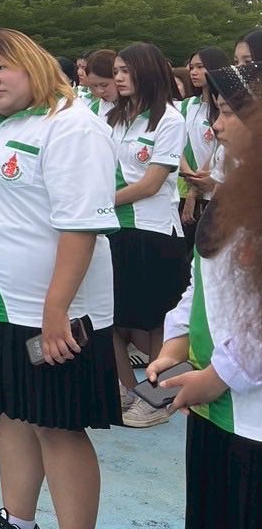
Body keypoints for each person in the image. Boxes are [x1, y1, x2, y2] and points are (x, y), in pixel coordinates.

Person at [0, 29, 121, 529]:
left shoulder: (71, 126)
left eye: (1, 67)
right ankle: (18, 524)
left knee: (57, 426)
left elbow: (80, 227)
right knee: (14, 411)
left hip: (50, 310)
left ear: (33, 64)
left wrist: (55, 310)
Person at [150, 61, 262, 529]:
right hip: (214, 404)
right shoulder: (237, 189)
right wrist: (175, 343)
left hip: (251, 415)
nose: (216, 125)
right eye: (215, 110)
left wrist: (217, 377)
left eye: (230, 112)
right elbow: (201, 280)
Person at [107, 42, 189, 428]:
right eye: (116, 71)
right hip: (113, 229)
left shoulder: (169, 119)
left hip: (153, 231)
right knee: (109, 317)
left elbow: (152, 183)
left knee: (156, 322)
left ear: (147, 72)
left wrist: (98, 201)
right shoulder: (114, 116)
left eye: (126, 70)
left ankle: (157, 399)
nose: (119, 77)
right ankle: (127, 392)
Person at [179, 48, 228, 243]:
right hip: (183, 189)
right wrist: (190, 176)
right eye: (191, 67)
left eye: (200, 67)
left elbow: (221, 148)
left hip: (213, 191)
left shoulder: (225, 109)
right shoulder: (185, 105)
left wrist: (196, 188)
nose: (193, 72)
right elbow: (177, 145)